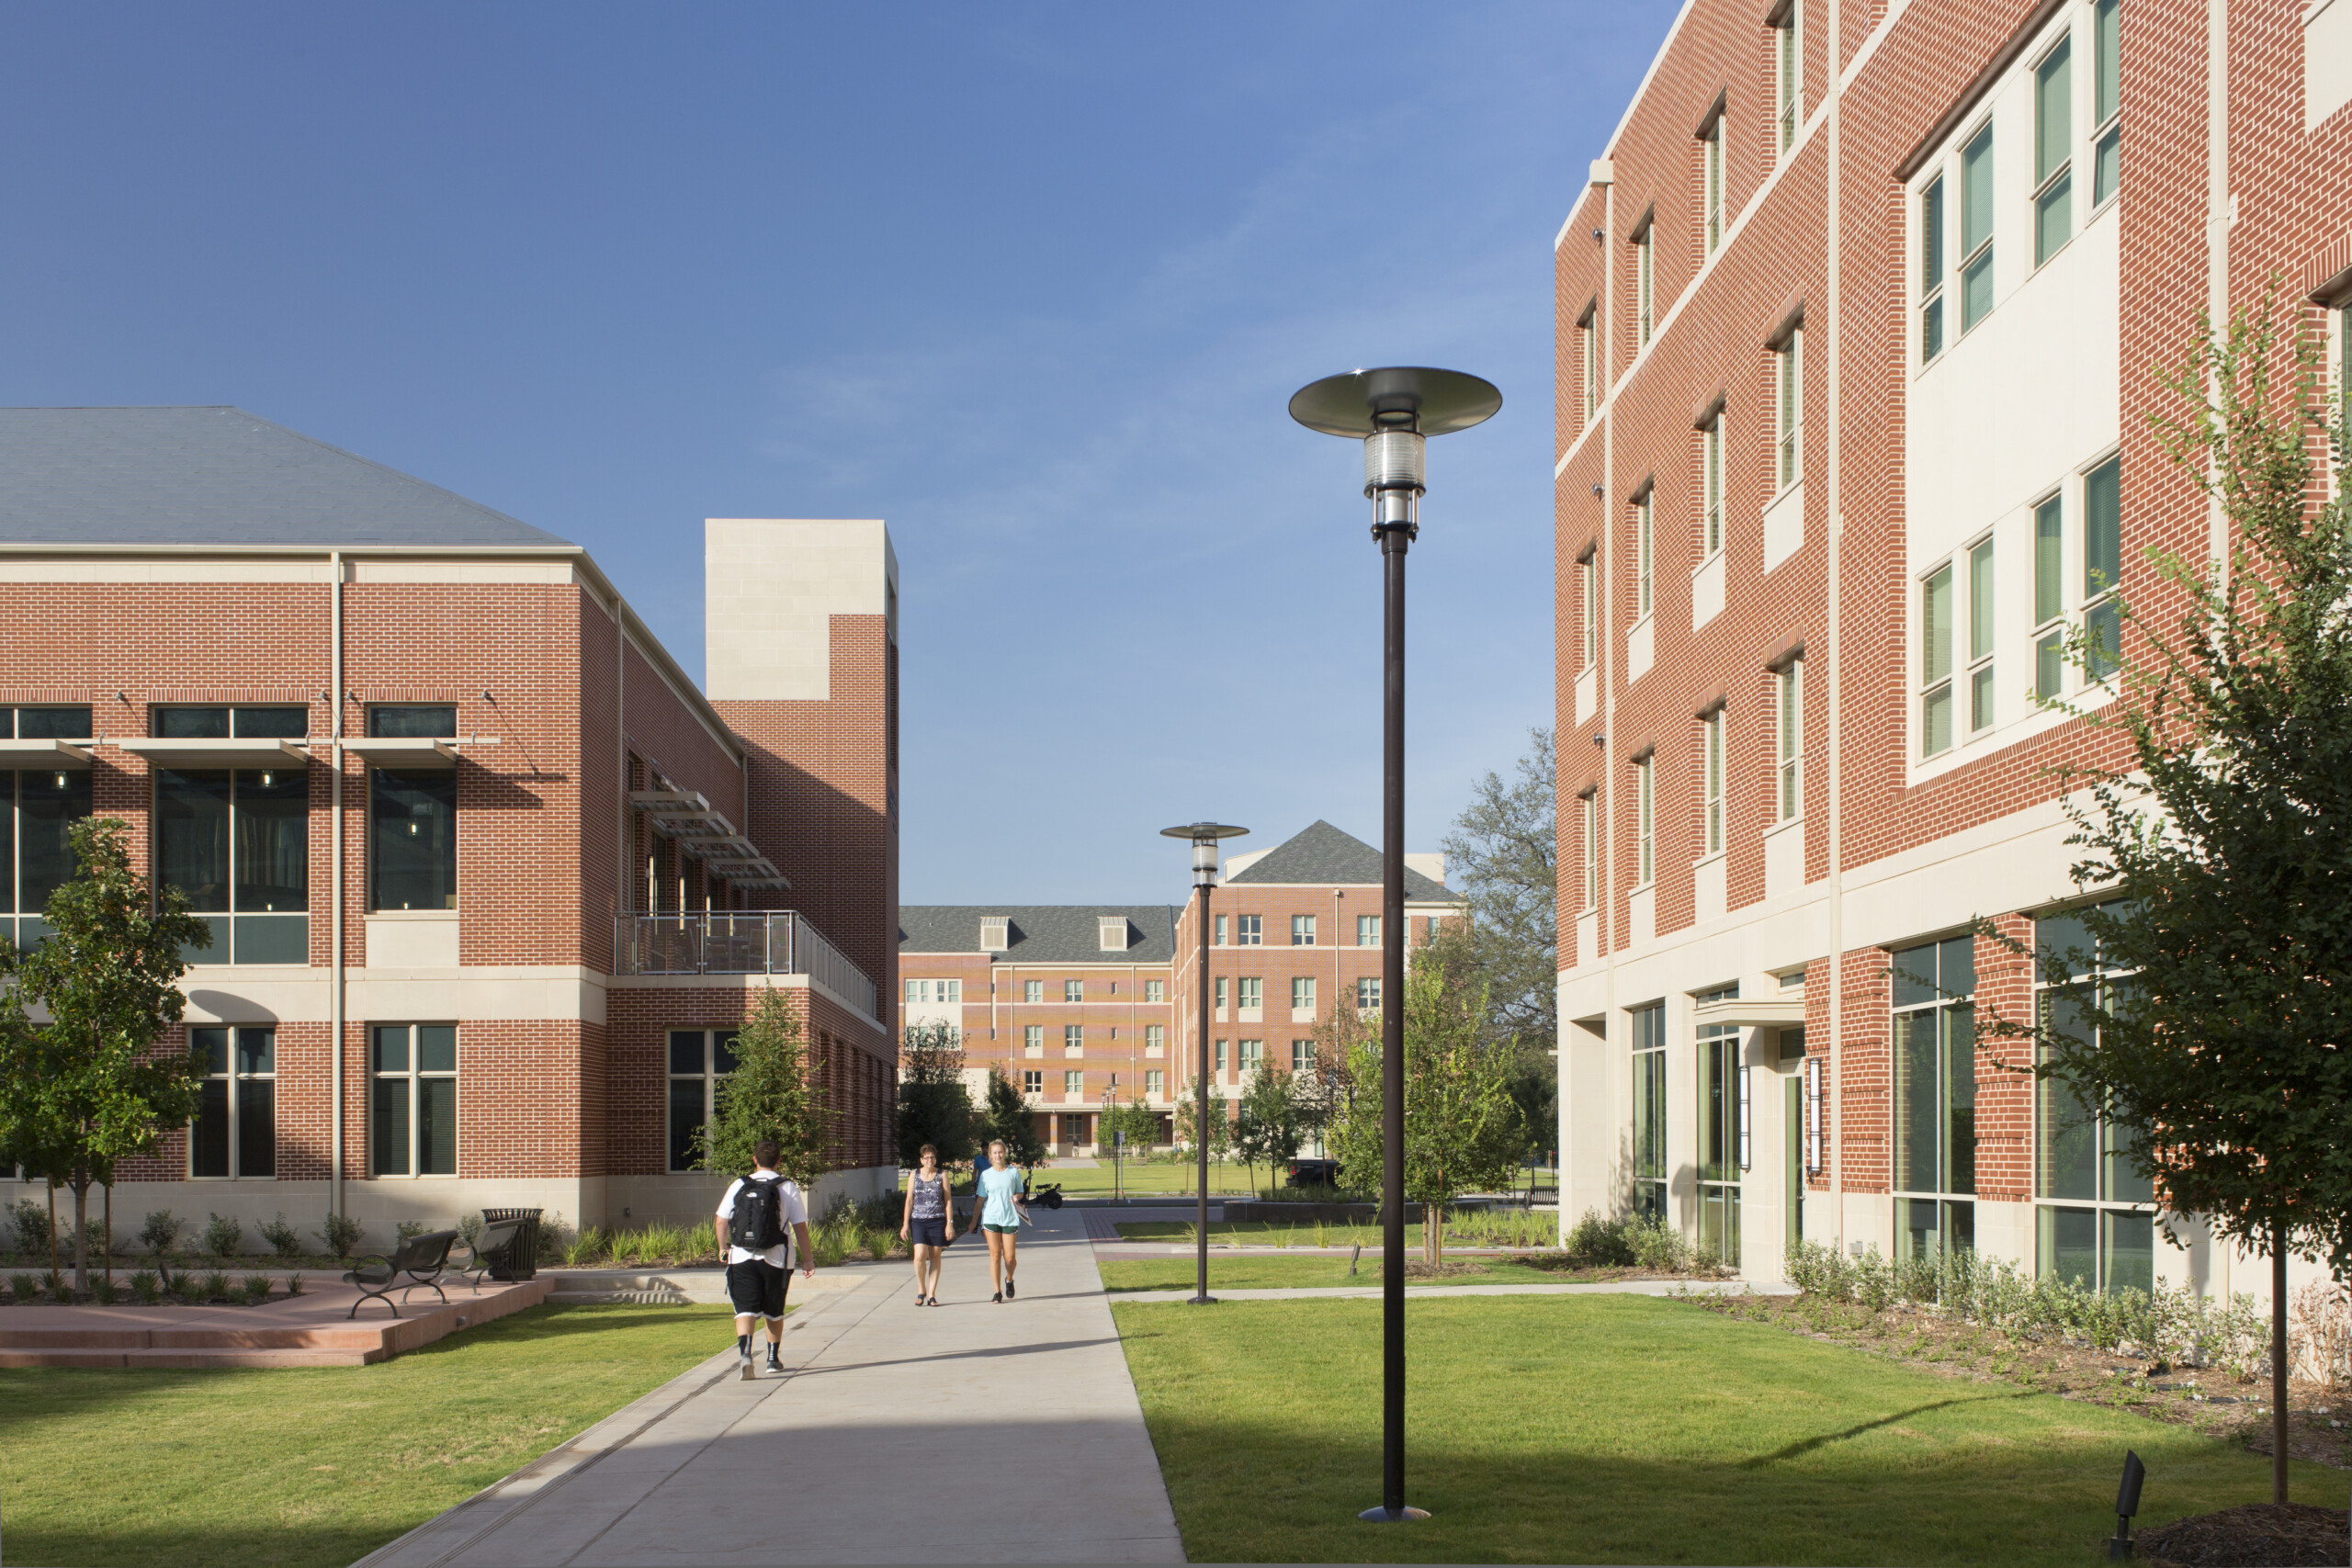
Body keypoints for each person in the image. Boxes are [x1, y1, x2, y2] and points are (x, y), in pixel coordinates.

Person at [714, 1138, 814, 1378]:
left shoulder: (739, 1184)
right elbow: (800, 1227)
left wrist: (723, 1246)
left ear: (754, 1160)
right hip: (777, 1258)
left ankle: (746, 1353)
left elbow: (721, 1220)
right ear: (779, 1161)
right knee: (774, 1310)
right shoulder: (787, 1186)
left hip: (741, 1256)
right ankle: (772, 1358)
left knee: (745, 1310)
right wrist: (808, 1259)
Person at [975, 1137, 1030, 1303]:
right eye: (994, 1153)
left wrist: (1016, 1196)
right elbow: (980, 1199)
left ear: (1005, 1153)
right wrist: (973, 1221)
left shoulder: (1013, 1172)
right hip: (991, 1217)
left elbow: (1020, 1192)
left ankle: (1009, 1279)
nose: (998, 1155)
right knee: (995, 1255)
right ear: (990, 1155)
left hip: (1010, 1218)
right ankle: (997, 1291)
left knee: (1010, 1258)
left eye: (1000, 1152)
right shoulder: (986, 1175)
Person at [899, 1143, 954, 1305]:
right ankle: (921, 1289)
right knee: (919, 1256)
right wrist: (905, 1224)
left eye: (932, 1157)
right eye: (927, 1157)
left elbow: (948, 1200)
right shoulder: (914, 1175)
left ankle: (931, 1294)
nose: (930, 1160)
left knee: (935, 1256)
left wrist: (949, 1224)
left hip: (938, 1220)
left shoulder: (942, 1175)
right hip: (918, 1221)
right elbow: (909, 1200)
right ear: (921, 1160)